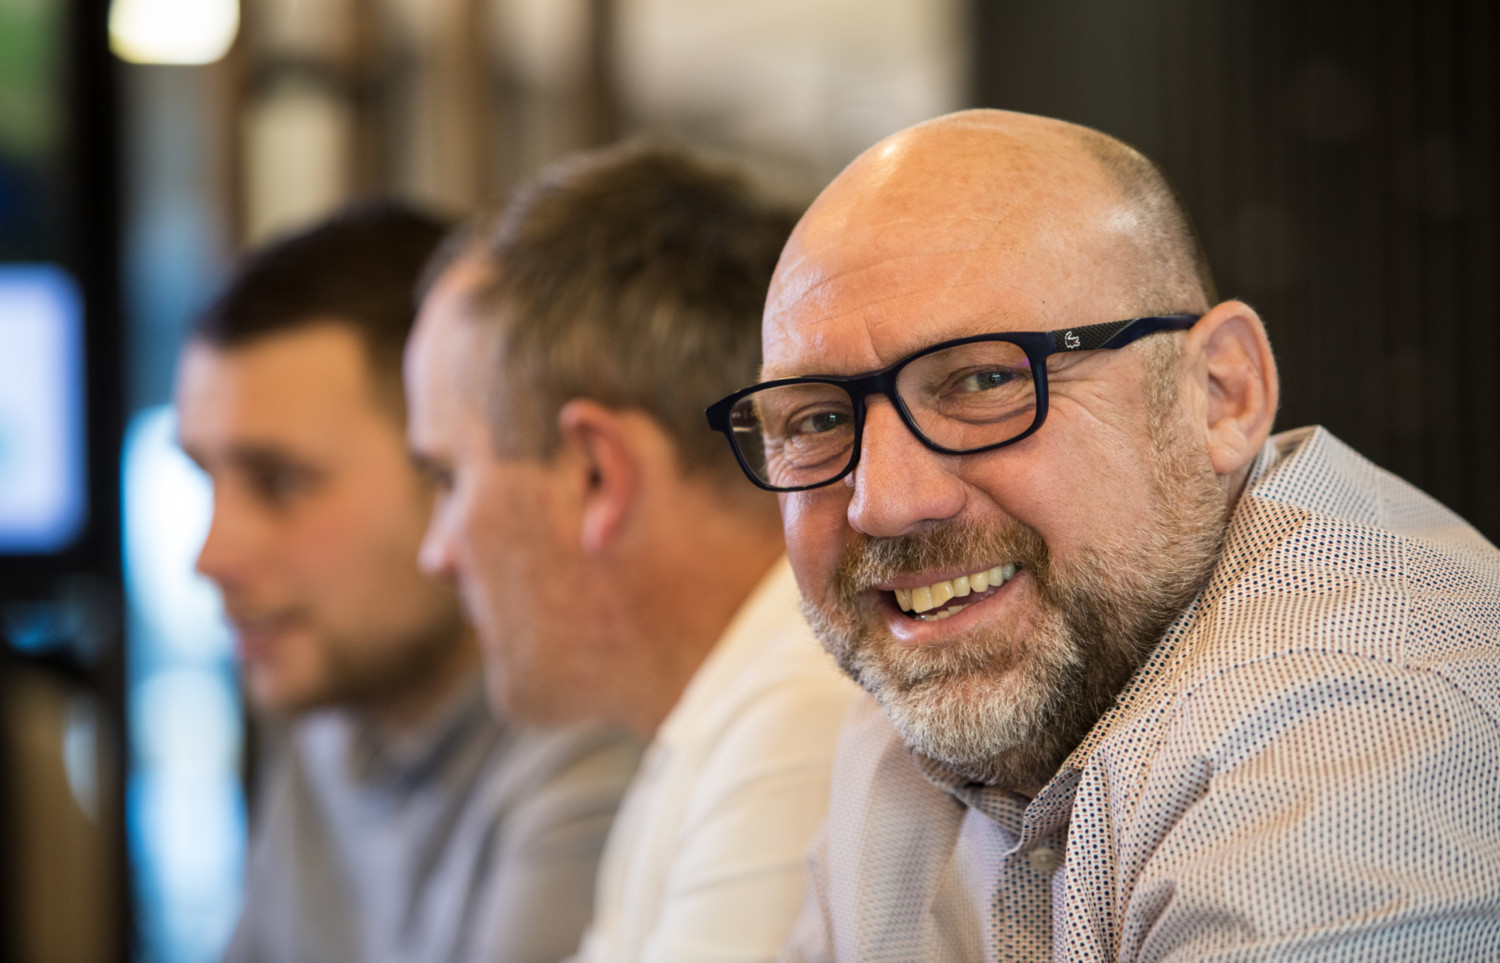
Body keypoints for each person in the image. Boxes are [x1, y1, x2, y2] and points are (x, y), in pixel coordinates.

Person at [702, 109, 1500, 961]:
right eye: (818, 419)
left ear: (1220, 395)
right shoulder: (907, 717)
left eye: (983, 379)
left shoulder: (1357, 722)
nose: (885, 503)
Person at [404, 143, 861, 963]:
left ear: (594, 473)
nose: (436, 554)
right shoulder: (725, 711)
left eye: (448, 478)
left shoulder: (799, 710)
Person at [176, 202, 642, 963]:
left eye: (280, 481)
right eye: (205, 477)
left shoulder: (599, 736)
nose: (212, 555)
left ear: (449, 468)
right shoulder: (332, 722)